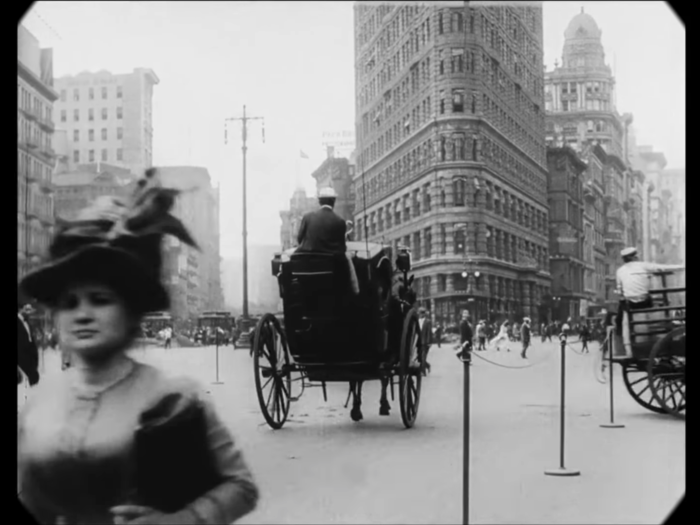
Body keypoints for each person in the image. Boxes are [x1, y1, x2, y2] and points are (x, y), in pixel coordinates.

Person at [17, 169, 259, 524]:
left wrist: (181, 520)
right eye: (68, 303)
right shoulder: (39, 407)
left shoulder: (172, 402)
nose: (82, 314)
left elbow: (240, 486)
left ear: (131, 310)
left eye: (99, 300)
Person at [296, 187, 359, 294]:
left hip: (307, 264)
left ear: (319, 201)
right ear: (333, 201)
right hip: (332, 267)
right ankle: (352, 293)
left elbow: (299, 239)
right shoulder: (340, 221)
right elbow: (342, 247)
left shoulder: (307, 217)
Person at [615, 246, 684, 333]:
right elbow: (663, 267)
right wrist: (682, 267)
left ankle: (620, 332)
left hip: (630, 304)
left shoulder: (620, 271)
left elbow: (619, 290)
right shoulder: (643, 266)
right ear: (634, 257)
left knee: (619, 318)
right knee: (654, 303)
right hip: (644, 301)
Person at [18, 302, 39, 413]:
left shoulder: (27, 322)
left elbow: (30, 340)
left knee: (33, 382)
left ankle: (29, 407)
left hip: (30, 359)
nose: (29, 312)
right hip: (21, 360)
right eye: (27, 310)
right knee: (23, 386)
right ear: (21, 309)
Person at [418, 307, 433, 375]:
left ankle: (423, 371)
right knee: (420, 357)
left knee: (423, 356)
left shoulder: (428, 321)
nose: (421, 314)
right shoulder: (418, 321)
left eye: (422, 313)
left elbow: (429, 332)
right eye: (420, 313)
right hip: (418, 341)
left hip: (425, 342)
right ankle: (427, 365)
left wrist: (429, 342)